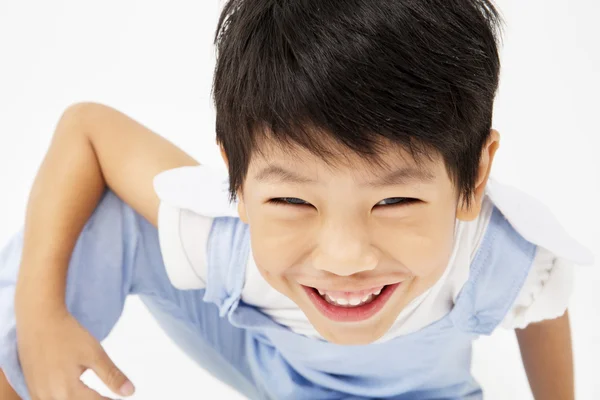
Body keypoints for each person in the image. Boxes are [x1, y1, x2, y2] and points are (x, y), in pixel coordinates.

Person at [0, 0, 594, 399]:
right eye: (292, 201)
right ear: (235, 181)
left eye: (394, 203)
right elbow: (87, 128)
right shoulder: (222, 231)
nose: (342, 258)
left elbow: (543, 310)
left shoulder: (499, 255)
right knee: (105, 220)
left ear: (475, 177)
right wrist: (38, 315)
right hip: (267, 362)